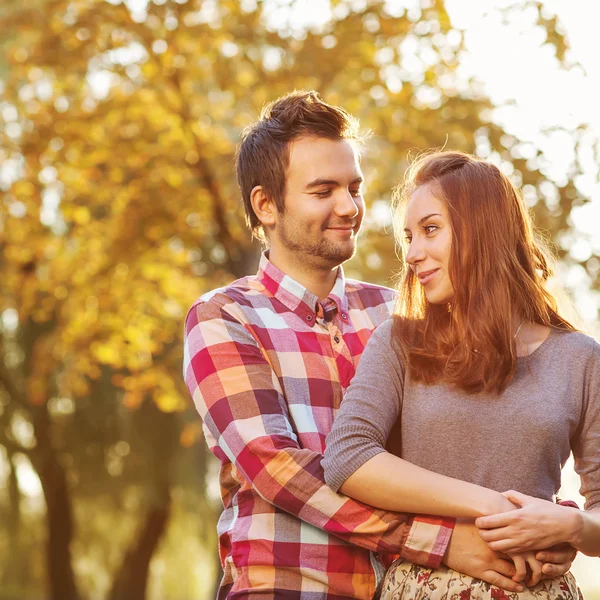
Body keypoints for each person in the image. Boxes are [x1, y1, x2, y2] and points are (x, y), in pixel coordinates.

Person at [183, 92, 575, 599]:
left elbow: (483, 436)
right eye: (322, 191)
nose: (348, 207)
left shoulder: (403, 315)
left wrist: (548, 525)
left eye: (354, 188)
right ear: (266, 205)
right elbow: (278, 470)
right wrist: (444, 542)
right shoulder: (225, 317)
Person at [323, 150, 599, 599]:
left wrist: (568, 524)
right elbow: (348, 457)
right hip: (426, 587)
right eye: (409, 237)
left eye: (430, 230)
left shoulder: (580, 358)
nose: (412, 253)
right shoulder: (399, 343)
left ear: (484, 230)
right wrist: (491, 504)